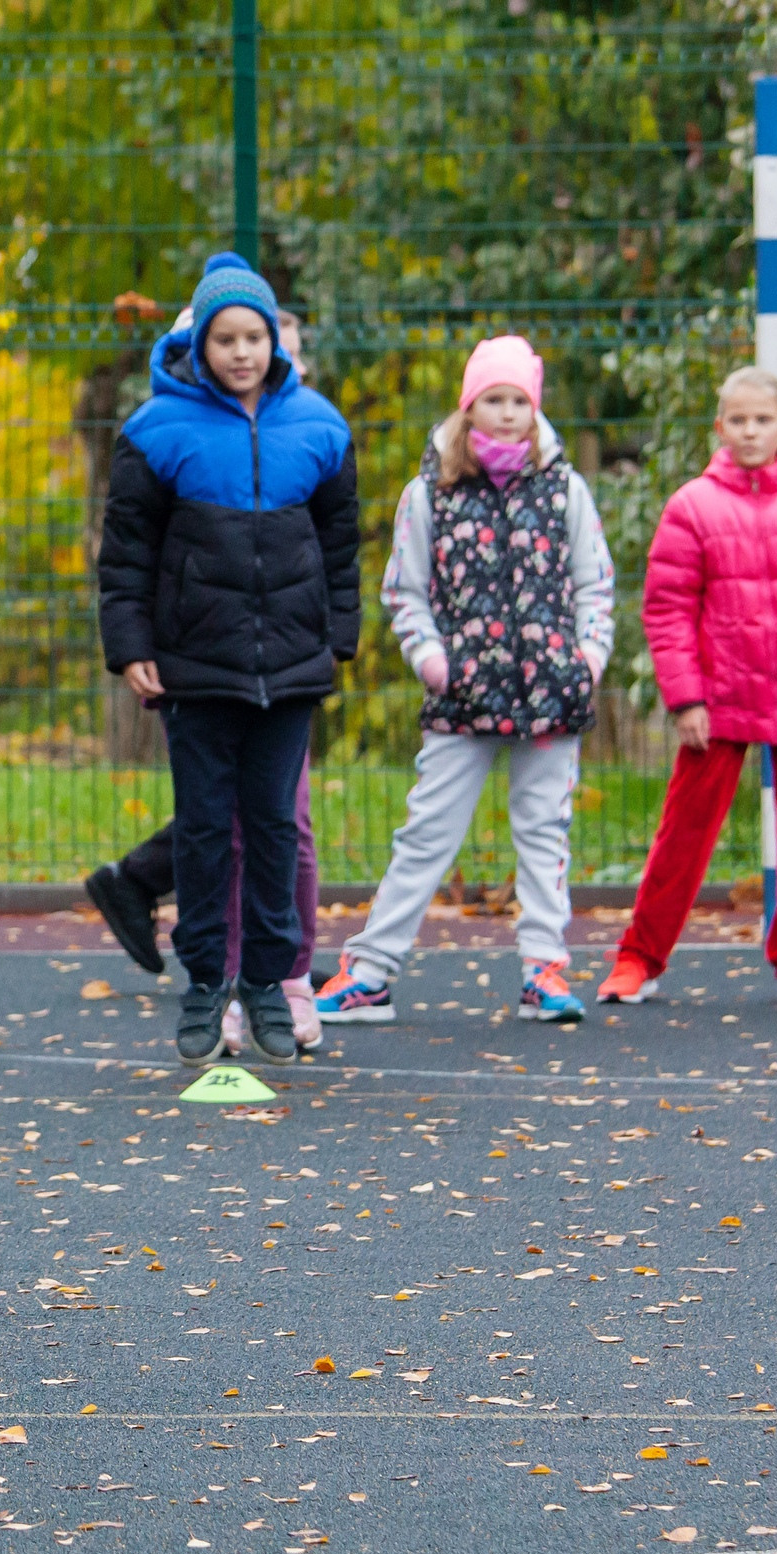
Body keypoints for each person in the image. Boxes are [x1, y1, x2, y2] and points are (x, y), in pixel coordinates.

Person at [96, 253, 360, 1065]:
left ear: (274, 342)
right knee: (209, 831)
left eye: (254, 336)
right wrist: (132, 645)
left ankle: (271, 987)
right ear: (200, 345)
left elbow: (341, 544)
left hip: (289, 667)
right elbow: (127, 554)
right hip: (195, 667)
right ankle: (206, 982)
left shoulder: (318, 425)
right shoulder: (155, 431)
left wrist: (338, 636)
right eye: (225, 338)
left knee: (276, 829)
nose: (242, 352)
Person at [311, 335, 616, 1025]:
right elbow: (404, 589)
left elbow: (595, 583)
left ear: (533, 409)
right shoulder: (431, 494)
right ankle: (370, 972)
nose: (507, 414)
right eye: (494, 400)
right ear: (470, 406)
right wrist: (431, 659)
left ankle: (545, 969)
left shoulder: (564, 488)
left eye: (519, 401)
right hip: (463, 694)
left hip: (551, 694)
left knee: (545, 833)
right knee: (427, 834)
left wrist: (587, 659)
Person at [599, 367, 777, 1005]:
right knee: (683, 832)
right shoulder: (693, 505)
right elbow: (667, 609)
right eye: (738, 420)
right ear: (720, 427)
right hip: (718, 700)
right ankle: (638, 957)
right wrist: (686, 698)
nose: (750, 431)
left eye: (763, 420)